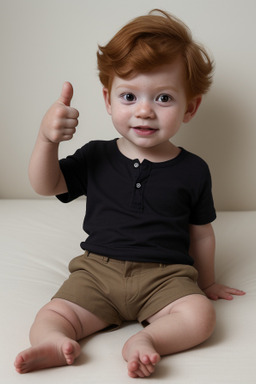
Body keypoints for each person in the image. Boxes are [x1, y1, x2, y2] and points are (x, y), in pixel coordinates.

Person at [14, 9, 245, 378]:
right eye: (128, 96)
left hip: (166, 276)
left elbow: (201, 232)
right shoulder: (96, 155)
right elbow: (47, 185)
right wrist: (46, 140)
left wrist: (206, 282)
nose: (144, 111)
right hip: (96, 271)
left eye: (164, 98)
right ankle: (57, 341)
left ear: (191, 107)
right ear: (108, 101)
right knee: (53, 314)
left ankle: (147, 341)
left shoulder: (194, 169)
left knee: (200, 316)